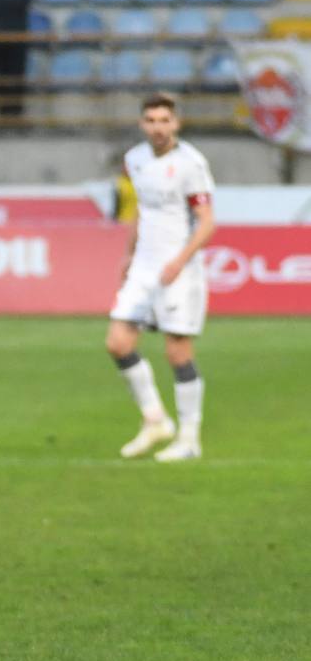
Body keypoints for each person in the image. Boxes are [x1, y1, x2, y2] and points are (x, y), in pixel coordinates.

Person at [104, 93, 215, 462]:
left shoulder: (191, 163)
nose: (158, 127)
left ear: (176, 123)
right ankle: (155, 420)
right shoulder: (134, 160)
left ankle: (188, 438)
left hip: (177, 270)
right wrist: (128, 253)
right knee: (118, 342)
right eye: (151, 120)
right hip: (144, 267)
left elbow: (207, 222)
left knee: (177, 350)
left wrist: (180, 261)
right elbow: (141, 211)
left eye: (164, 120)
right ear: (142, 124)